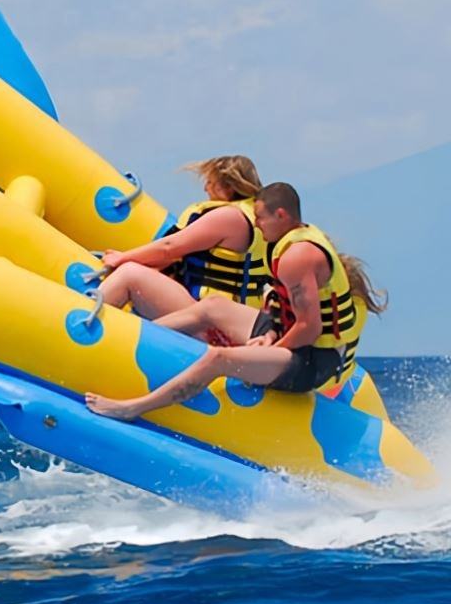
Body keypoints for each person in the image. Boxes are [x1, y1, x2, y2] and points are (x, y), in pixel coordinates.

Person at [85, 182, 387, 420]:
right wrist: (270, 333)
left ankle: (133, 408)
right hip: (288, 338)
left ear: (281, 216)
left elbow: (309, 328)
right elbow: (286, 310)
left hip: (311, 361)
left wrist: (269, 348)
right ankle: (125, 339)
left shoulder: (298, 256)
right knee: (212, 307)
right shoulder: (289, 241)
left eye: (260, 217)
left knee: (219, 358)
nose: (257, 224)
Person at [99, 155, 269, 322]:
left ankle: (86, 322)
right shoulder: (259, 222)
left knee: (129, 273)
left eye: (210, 182)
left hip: (212, 321)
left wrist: (121, 258)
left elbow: (169, 247)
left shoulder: (229, 217)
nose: (206, 189)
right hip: (237, 321)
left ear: (228, 187)